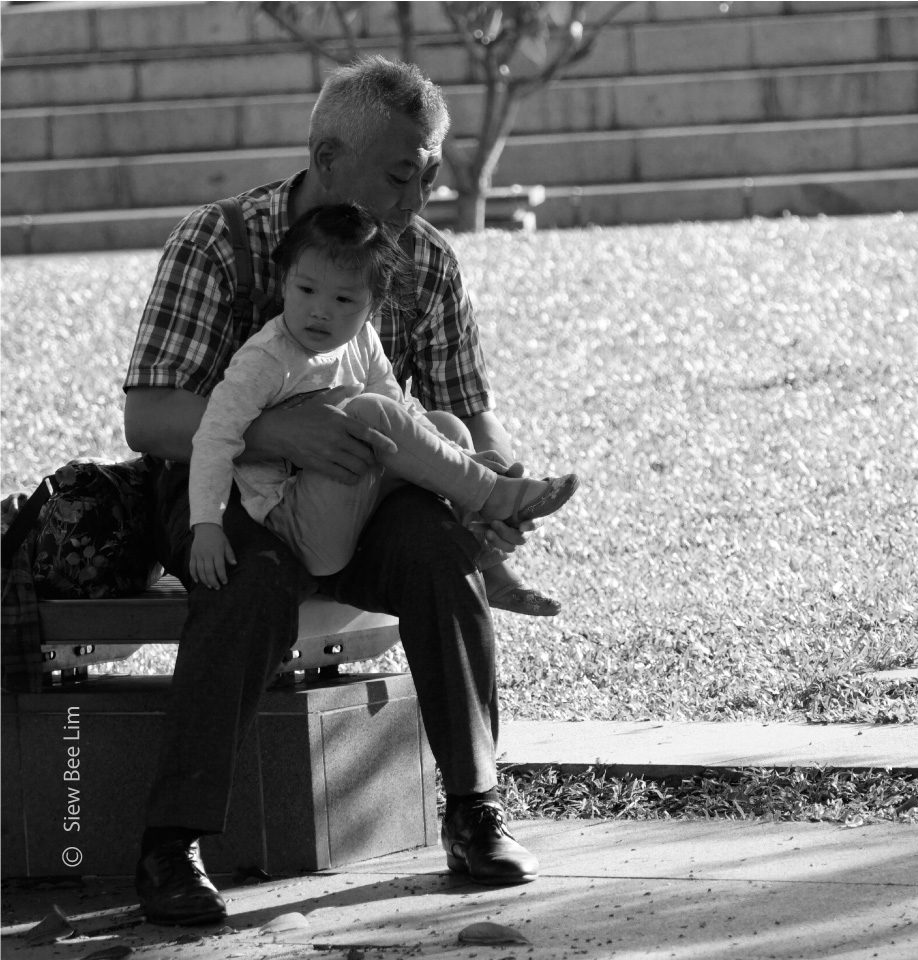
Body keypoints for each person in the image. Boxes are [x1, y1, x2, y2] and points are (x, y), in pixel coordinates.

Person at [124, 56, 554, 926]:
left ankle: (474, 811)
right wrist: (279, 428)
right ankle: (172, 846)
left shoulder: (426, 263)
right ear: (327, 154)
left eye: (431, 174)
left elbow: (470, 411)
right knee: (249, 581)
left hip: (364, 497)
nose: (420, 198)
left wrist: (493, 484)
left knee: (440, 551)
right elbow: (150, 418)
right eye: (403, 175)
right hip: (226, 496)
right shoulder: (220, 241)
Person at [186, 201, 578, 587]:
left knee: (448, 426)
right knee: (370, 412)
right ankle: (491, 495)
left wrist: (463, 454)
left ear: (372, 305)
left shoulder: (361, 339)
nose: (319, 310)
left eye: (342, 299)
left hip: (360, 503)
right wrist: (206, 525)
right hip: (297, 525)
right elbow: (214, 437)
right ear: (285, 281)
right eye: (306, 289)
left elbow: (399, 410)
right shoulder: (264, 358)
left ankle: (478, 543)